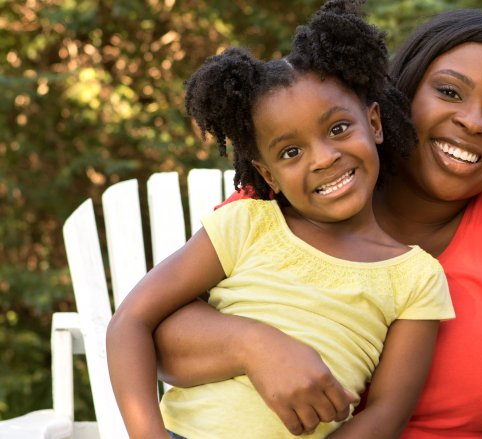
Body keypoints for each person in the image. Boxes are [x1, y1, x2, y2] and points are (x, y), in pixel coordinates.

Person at [153, 7, 482, 439]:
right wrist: (253, 345)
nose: (473, 122)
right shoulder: (285, 199)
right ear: (398, 96)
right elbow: (155, 332)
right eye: (451, 92)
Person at [106, 1, 456, 438]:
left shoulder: (416, 276)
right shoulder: (247, 225)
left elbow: (385, 415)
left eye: (338, 129)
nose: (325, 158)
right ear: (268, 173)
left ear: (374, 123)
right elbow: (130, 322)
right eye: (292, 152)